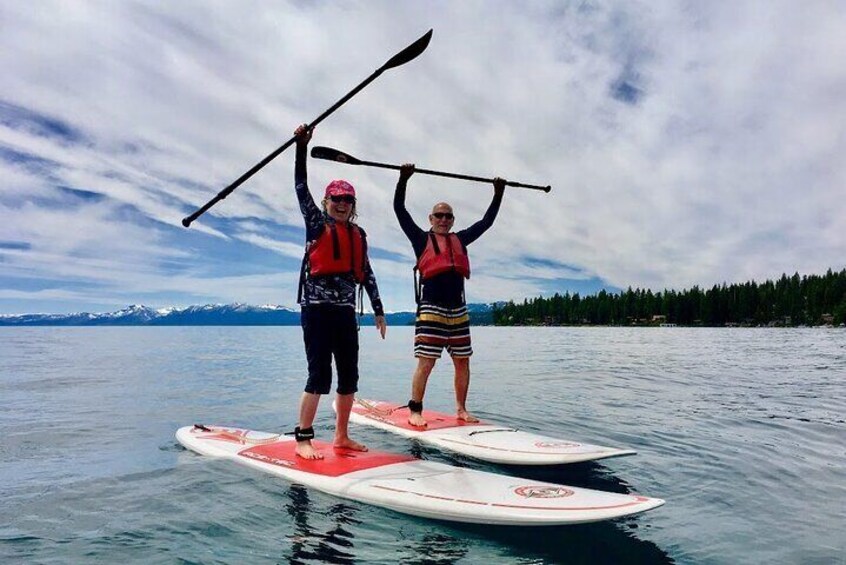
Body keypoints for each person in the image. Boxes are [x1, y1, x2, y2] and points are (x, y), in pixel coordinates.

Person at [292, 124, 387, 459]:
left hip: (346, 313)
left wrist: (378, 309)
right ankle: (303, 437)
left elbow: (368, 273)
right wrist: (301, 147)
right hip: (316, 311)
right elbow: (300, 185)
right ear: (327, 201)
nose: (343, 204)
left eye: (348, 199)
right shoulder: (317, 224)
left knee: (349, 377)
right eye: (337, 199)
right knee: (319, 375)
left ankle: (341, 437)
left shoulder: (358, 234)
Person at [394, 163, 505, 426]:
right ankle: (415, 410)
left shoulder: (461, 239)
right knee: (426, 363)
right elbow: (399, 210)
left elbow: (487, 222)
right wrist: (403, 179)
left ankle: (461, 409)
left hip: (458, 310)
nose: (443, 220)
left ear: (452, 220)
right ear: (430, 219)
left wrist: (498, 193)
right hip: (431, 308)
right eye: (438, 216)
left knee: (463, 363)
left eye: (448, 216)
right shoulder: (420, 239)